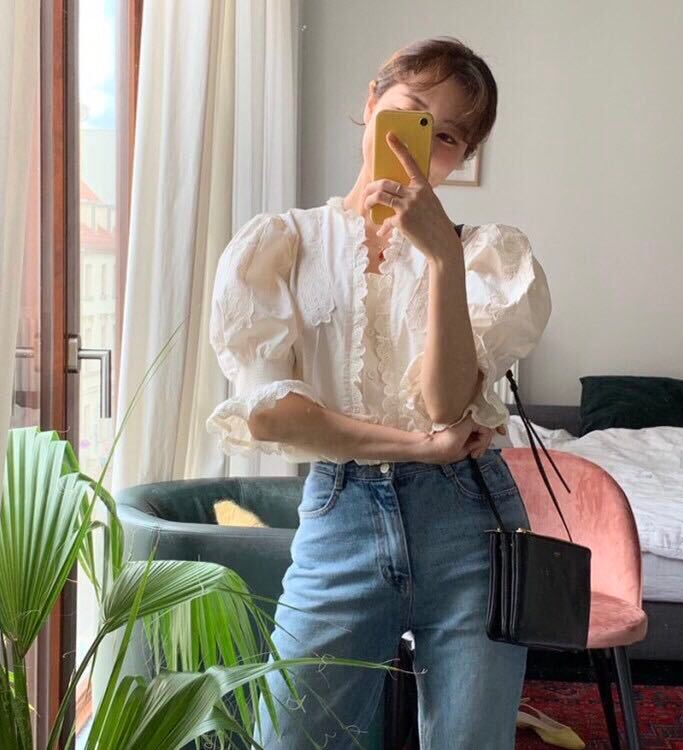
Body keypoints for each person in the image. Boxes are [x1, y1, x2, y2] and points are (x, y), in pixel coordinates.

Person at [206, 36, 552, 750]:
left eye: (447, 136)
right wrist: (420, 448)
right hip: (341, 517)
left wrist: (442, 257)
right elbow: (274, 418)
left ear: (463, 157)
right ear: (371, 103)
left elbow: (446, 403)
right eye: (411, 112)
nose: (422, 143)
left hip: (469, 526)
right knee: (292, 738)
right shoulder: (284, 244)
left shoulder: (486, 255)